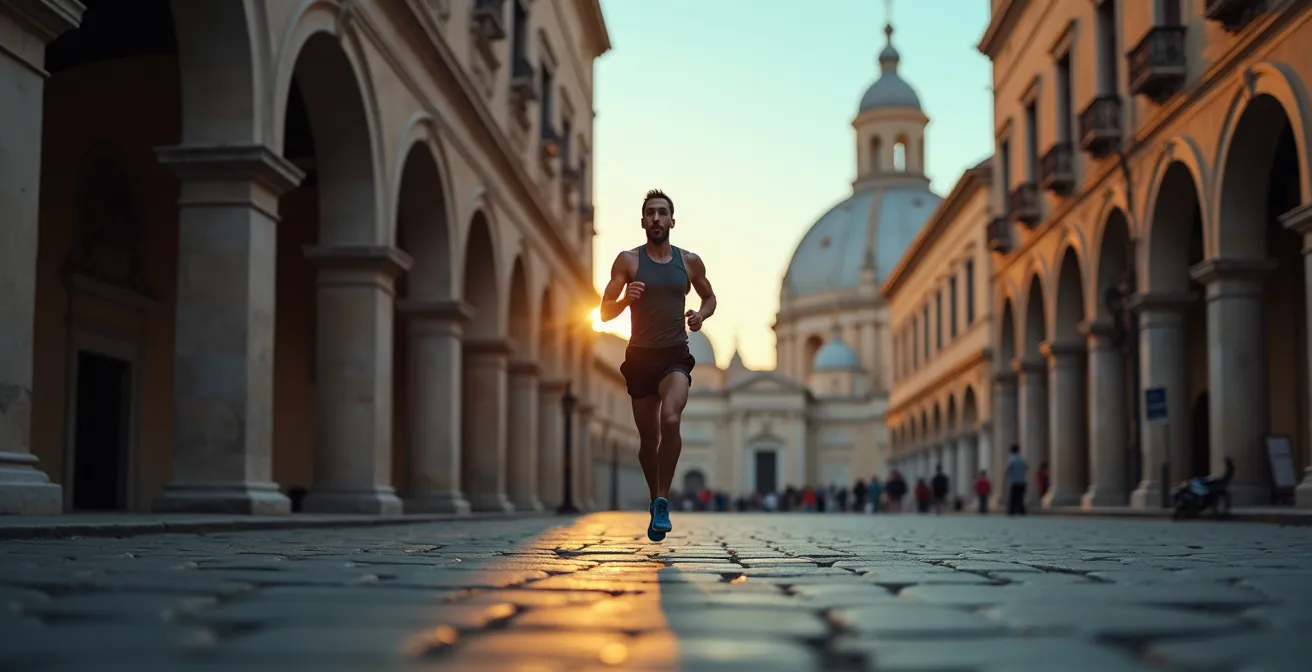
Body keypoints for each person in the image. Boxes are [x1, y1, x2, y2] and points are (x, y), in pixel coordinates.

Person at [598, 189, 717, 542]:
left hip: (675, 354)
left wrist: (700, 316)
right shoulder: (628, 261)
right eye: (650, 213)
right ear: (642, 221)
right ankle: (655, 500)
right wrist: (624, 301)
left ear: (672, 221)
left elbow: (709, 296)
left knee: (671, 418)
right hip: (640, 358)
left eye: (662, 213)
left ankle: (663, 498)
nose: (656, 218)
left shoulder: (690, 262)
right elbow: (603, 311)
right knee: (648, 439)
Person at [1005, 444, 1029, 516]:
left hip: (1014, 481)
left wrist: (1007, 477)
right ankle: (1021, 510)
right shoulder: (1022, 458)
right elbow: (1026, 467)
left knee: (1013, 497)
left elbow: (1007, 469)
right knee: (1021, 497)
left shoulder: (1011, 459)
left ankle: (1012, 511)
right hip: (1022, 481)